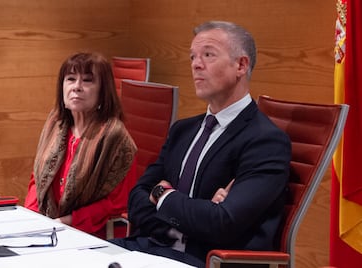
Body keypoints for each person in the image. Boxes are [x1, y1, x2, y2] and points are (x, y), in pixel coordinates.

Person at [110, 21, 291, 267]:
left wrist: (162, 195)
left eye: (208, 54)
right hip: (151, 248)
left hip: (201, 260)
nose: (196, 64)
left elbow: (222, 223)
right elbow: (136, 200)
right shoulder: (183, 130)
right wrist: (193, 212)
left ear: (241, 65)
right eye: (193, 57)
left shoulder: (265, 140)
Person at [24, 52, 137, 238]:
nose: (77, 87)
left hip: (89, 234)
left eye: (87, 80)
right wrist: (32, 218)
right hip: (46, 229)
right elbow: (38, 179)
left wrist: (67, 222)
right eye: (70, 79)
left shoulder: (115, 138)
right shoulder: (55, 124)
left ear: (103, 91)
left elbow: (117, 203)